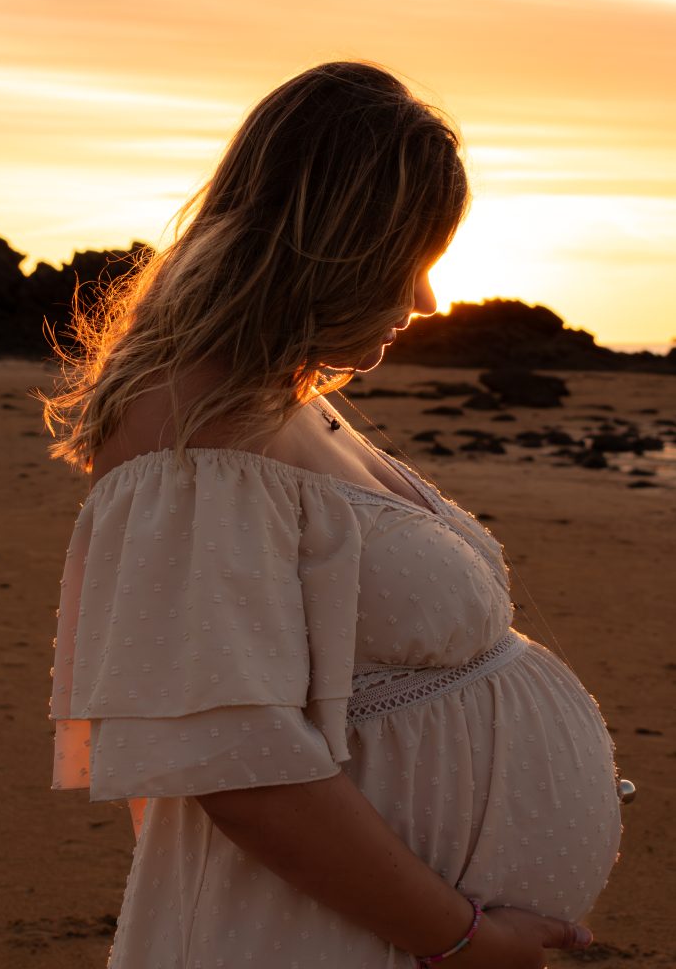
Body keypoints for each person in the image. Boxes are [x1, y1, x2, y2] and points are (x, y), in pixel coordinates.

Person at [42, 60, 622, 968]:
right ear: (329, 245)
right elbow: (239, 766)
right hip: (325, 936)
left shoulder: (282, 398)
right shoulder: (190, 431)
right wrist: (463, 940)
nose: (428, 299)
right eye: (410, 261)